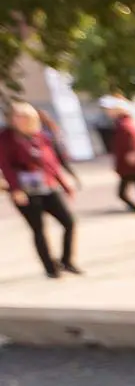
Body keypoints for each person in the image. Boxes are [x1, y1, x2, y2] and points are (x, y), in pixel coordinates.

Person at [2, 100, 83, 277]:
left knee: (69, 222)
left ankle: (67, 260)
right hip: (25, 191)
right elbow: (6, 165)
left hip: (47, 187)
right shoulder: (6, 138)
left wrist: (64, 183)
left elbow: (51, 163)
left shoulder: (40, 136)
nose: (20, 120)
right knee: (39, 229)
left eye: (24, 116)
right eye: (16, 117)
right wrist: (16, 189)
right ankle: (50, 268)